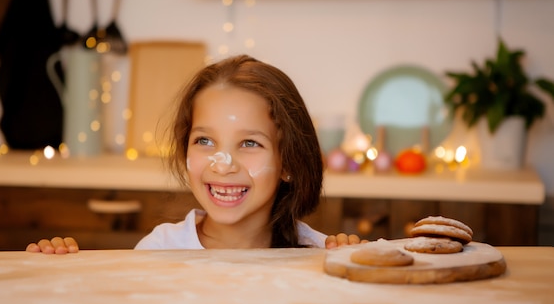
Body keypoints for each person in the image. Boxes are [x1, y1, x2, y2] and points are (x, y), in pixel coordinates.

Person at [26, 55, 364, 254]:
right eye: (205, 141)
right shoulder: (160, 250)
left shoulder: (320, 255)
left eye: (249, 143)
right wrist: (59, 276)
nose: (223, 164)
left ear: (288, 162)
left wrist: (352, 272)